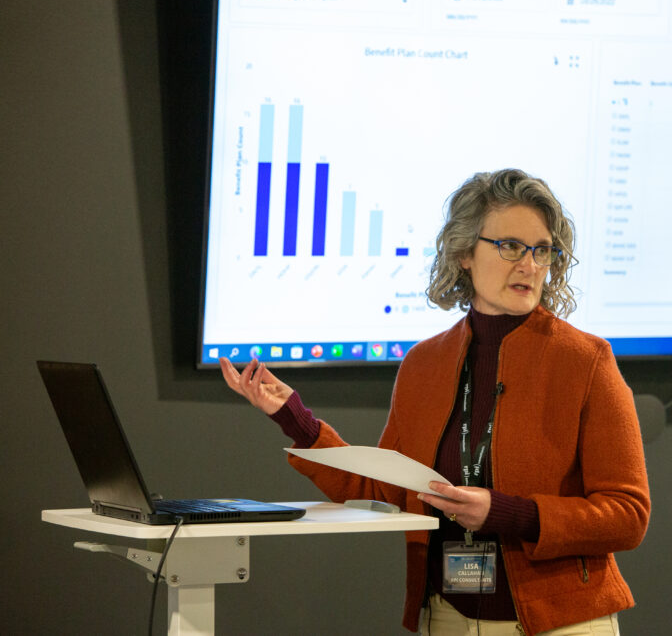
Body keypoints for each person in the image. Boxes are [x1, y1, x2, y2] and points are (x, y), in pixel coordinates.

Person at [220, 168, 650, 635]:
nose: (529, 265)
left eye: (542, 250)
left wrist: (506, 513)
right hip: (446, 618)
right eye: (510, 246)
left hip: (560, 621)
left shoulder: (586, 361)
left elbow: (627, 515)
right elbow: (380, 493)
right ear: (464, 252)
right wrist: (297, 421)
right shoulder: (424, 363)